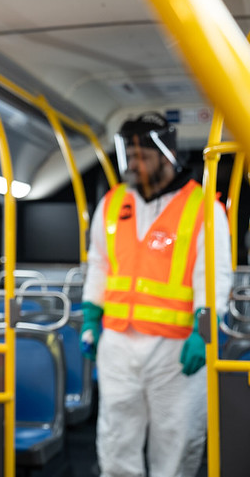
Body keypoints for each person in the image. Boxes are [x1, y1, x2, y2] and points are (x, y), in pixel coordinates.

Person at [79, 111, 233, 477]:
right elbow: (99, 264)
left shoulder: (204, 209)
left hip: (175, 349)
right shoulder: (112, 203)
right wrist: (90, 319)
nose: (133, 164)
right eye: (129, 155)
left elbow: (214, 276)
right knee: (116, 439)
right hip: (118, 343)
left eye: (142, 156)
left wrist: (204, 333)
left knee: (177, 440)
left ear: (167, 155)